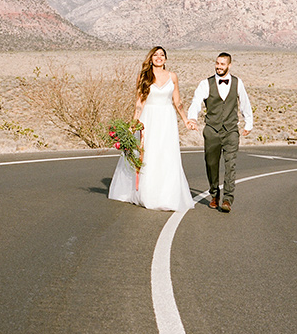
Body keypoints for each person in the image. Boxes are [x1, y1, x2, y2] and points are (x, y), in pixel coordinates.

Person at [108, 46, 196, 212]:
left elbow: (177, 102)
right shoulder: (144, 76)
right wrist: (133, 123)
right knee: (149, 153)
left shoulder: (173, 76)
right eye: (156, 55)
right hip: (148, 119)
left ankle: (167, 196)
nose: (159, 57)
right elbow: (139, 103)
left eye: (162, 55)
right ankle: (147, 194)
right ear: (151, 58)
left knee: (167, 154)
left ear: (166, 58)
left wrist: (185, 120)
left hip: (167, 120)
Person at [187, 52, 253, 213]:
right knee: (211, 164)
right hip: (212, 130)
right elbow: (196, 101)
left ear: (229, 66)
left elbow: (244, 102)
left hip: (231, 130)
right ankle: (214, 194)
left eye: (222, 64)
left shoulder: (237, 83)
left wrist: (248, 123)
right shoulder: (205, 83)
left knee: (230, 164)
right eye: (217, 63)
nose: (219, 66)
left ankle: (228, 199)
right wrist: (192, 118)